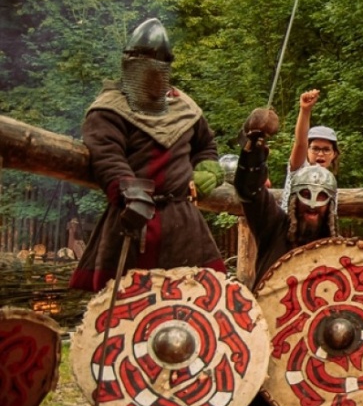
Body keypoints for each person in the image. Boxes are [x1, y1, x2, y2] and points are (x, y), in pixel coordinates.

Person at [70, 18, 226, 292]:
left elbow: (206, 146)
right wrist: (128, 192)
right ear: (131, 60)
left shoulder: (184, 107)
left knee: (194, 303)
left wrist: (207, 171)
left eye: (159, 61)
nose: (153, 67)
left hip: (183, 221)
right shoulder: (109, 109)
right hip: (132, 219)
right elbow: (107, 155)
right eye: (146, 58)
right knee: (125, 308)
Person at [234, 108, 338, 285]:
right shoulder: (273, 226)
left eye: (321, 197)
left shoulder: (337, 251)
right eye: (305, 195)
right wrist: (254, 145)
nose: (312, 204)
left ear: (330, 205)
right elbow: (249, 189)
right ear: (294, 199)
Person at [278, 89, 339, 209]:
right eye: (315, 148)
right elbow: (300, 143)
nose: (320, 154)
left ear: (334, 154)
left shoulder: (330, 182)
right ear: (307, 151)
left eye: (326, 149)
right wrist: (305, 110)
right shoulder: (299, 170)